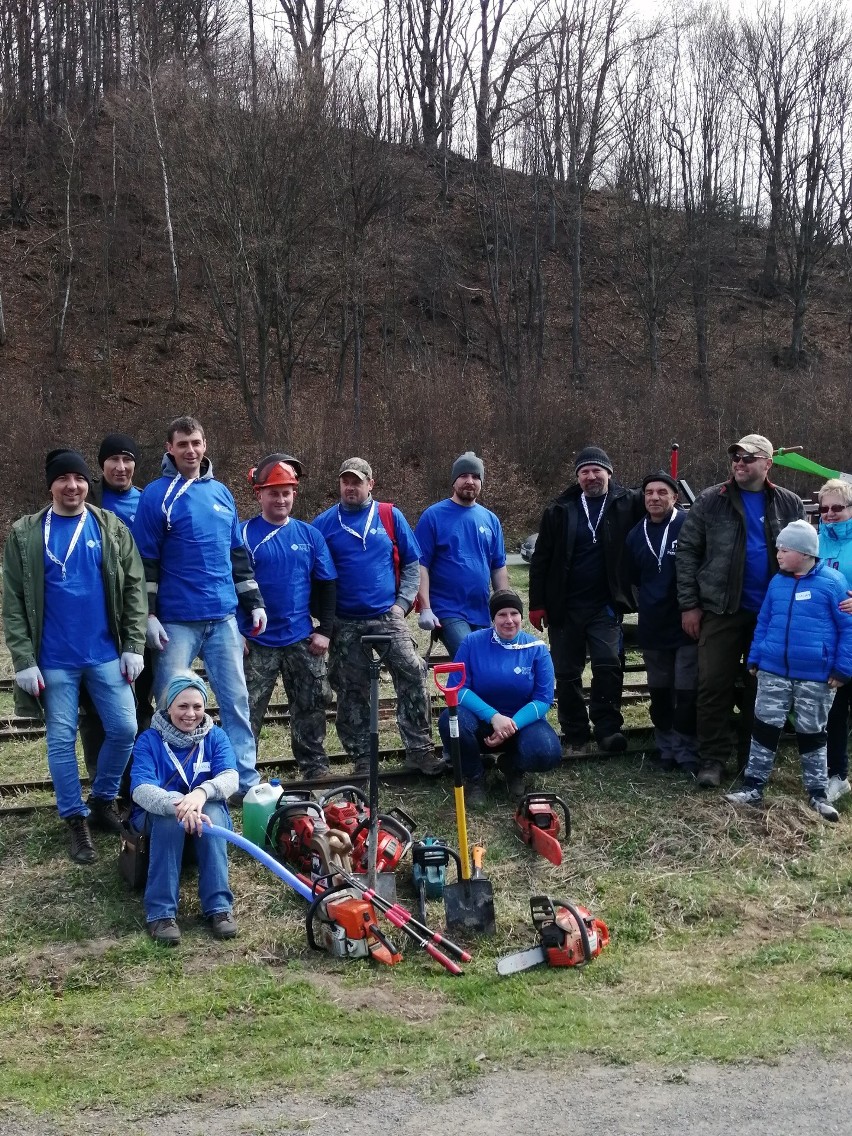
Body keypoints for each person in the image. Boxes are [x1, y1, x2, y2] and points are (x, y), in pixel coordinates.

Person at [2, 449, 146, 863]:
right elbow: (12, 601)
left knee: (124, 728)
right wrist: (24, 660)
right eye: (63, 478)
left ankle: (102, 799)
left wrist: (133, 646)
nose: (73, 486)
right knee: (61, 739)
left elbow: (134, 587)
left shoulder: (109, 526)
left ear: (88, 483)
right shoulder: (26, 533)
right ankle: (74, 818)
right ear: (50, 485)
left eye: (79, 479)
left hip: (105, 654)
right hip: (54, 660)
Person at [133, 416, 266, 799]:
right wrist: (149, 614)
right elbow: (146, 560)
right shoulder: (156, 495)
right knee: (171, 704)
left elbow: (237, 553)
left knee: (236, 701)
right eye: (182, 444)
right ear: (169, 449)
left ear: (205, 444)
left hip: (223, 617)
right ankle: (173, 780)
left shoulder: (222, 493)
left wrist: (252, 602)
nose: (190, 450)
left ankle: (243, 780)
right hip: (176, 621)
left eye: (196, 442)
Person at [676, 433, 805, 788]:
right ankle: (713, 760)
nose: (740, 463)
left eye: (749, 458)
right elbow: (687, 553)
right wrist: (689, 605)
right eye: (736, 457)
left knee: (762, 689)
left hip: (773, 615)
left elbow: (807, 558)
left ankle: (754, 760)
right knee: (713, 685)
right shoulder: (710, 500)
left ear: (768, 463)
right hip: (721, 610)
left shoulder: (789, 503)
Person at [312, 458, 444, 777]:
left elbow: (413, 564)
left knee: (413, 672)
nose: (350, 487)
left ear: (370, 484)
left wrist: (401, 605)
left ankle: (419, 750)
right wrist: (320, 617)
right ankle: (361, 757)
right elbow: (311, 573)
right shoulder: (323, 524)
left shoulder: (389, 515)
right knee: (350, 688)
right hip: (344, 621)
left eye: (357, 481)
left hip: (387, 615)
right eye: (345, 481)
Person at [724, 521, 852, 822]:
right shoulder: (777, 583)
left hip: (816, 676)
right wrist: (755, 658)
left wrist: (843, 669)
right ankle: (753, 788)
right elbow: (765, 621)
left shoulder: (832, 583)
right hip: (773, 672)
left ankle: (818, 794)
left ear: (806, 553)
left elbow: (847, 629)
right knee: (765, 728)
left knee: (813, 734)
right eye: (778, 548)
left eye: (785, 549)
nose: (778, 554)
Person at [528, 445, 644, 755]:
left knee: (608, 666)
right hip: (565, 606)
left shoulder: (629, 503)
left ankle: (607, 729)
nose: (591, 476)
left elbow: (662, 509)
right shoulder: (559, 510)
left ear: (608, 472)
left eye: (596, 470)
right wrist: (537, 602)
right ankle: (575, 731)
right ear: (578, 477)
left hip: (605, 605)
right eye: (584, 472)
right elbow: (542, 559)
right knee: (566, 672)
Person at [240, 455, 337, 780]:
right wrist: (236, 632)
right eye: (273, 493)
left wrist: (326, 630)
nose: (280, 499)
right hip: (256, 642)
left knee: (310, 708)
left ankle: (315, 768)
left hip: (301, 639)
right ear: (260, 495)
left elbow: (327, 585)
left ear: (294, 494)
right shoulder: (242, 536)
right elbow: (230, 586)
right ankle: (242, 773)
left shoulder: (310, 536)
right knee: (247, 711)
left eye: (286, 493)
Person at [130, 672, 239, 946]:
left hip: (205, 819)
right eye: (183, 706)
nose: (191, 714)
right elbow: (141, 789)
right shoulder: (149, 740)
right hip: (165, 821)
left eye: (197, 706)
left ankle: (219, 908)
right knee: (170, 821)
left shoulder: (216, 736)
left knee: (213, 815)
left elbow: (230, 778)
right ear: (168, 707)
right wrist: (179, 804)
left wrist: (201, 793)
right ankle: (161, 914)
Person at [437, 589, 561, 806]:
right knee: (450, 720)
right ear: (492, 618)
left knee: (547, 751)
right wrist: (494, 717)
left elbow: (543, 700)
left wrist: (510, 725)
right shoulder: (472, 643)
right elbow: (456, 688)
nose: (509, 620)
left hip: (521, 724)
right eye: (502, 614)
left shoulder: (537, 649)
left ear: (521, 617)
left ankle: (513, 766)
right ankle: (475, 776)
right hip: (480, 722)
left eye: (514, 613)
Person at [80, 432, 154, 785]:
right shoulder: (86, 498)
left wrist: (154, 611)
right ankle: (101, 780)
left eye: (128, 460)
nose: (121, 467)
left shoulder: (149, 501)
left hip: (141, 615)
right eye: (114, 460)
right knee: (94, 708)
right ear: (102, 465)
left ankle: (136, 780)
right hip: (97, 621)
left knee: (140, 702)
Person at [625, 471, 698, 774]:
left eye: (661, 492)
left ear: (675, 497)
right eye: (649, 493)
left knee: (686, 692)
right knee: (660, 692)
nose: (654, 498)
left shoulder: (689, 526)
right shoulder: (635, 534)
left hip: (686, 625)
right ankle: (665, 748)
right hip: (653, 625)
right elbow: (632, 578)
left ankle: (688, 751)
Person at [415, 451, 509, 658]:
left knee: (483, 666)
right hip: (447, 610)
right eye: (464, 476)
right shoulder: (433, 516)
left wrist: (506, 606)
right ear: (454, 480)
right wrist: (426, 608)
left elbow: (498, 567)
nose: (470, 481)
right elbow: (421, 565)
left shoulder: (490, 520)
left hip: (481, 611)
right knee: (470, 657)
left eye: (476, 477)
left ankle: (457, 691)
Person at [816, 478, 852, 803]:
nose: (829, 514)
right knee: (834, 710)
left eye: (837, 508)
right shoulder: (815, 541)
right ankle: (837, 774)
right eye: (824, 508)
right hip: (830, 640)